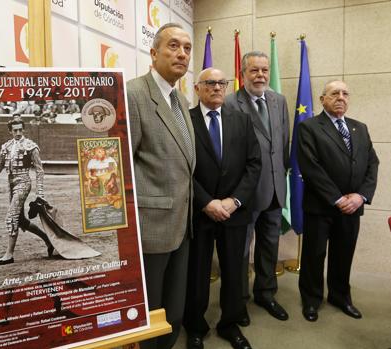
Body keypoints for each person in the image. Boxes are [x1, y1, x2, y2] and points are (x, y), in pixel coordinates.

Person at [126, 22, 195, 349]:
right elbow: (123, 165)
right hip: (150, 226)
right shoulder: (134, 94)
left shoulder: (180, 99)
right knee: (151, 314)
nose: (182, 53)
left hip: (182, 224)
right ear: (153, 53)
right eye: (173, 46)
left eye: (187, 47)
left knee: (173, 310)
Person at [183, 68, 260, 349]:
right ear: (197, 88)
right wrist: (206, 202)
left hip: (234, 212)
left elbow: (254, 164)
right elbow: (182, 168)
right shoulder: (185, 121)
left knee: (233, 272)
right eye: (210, 83)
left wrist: (234, 200)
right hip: (199, 212)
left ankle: (231, 324)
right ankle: (195, 326)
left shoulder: (242, 120)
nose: (216, 87)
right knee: (197, 273)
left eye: (221, 83)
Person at [297, 80, 379, 322]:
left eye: (345, 93)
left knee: (344, 254)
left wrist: (360, 196)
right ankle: (311, 300)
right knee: (314, 255)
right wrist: (336, 198)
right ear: (323, 99)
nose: (341, 97)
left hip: (352, 207)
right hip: (320, 207)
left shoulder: (360, 128)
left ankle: (340, 296)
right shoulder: (309, 128)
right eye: (334, 93)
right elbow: (311, 167)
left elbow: (372, 164)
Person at [223, 51, 291, 325]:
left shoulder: (278, 100)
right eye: (254, 71)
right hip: (245, 193)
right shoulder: (229, 103)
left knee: (269, 244)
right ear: (243, 74)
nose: (261, 75)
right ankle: (238, 300)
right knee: (241, 249)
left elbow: (282, 142)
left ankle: (266, 292)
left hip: (275, 189)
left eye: (264, 70)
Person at [0, 116, 54, 265]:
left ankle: (9, 255)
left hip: (24, 183)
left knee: (11, 217)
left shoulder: (30, 146)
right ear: (10, 131)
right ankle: (48, 239)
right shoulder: (6, 146)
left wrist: (40, 193)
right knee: (20, 220)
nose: (18, 133)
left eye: (20, 129)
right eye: (15, 130)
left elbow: (39, 171)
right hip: (11, 184)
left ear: (23, 129)